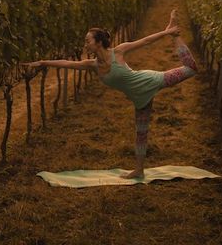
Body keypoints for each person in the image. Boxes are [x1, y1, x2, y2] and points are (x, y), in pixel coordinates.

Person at [23, 10, 198, 179]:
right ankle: (139, 170)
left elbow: (145, 41)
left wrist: (168, 32)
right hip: (138, 98)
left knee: (190, 69)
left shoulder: (119, 51)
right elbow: (66, 63)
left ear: (99, 42)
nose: (85, 45)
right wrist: (44, 62)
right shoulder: (92, 65)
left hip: (149, 80)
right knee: (141, 133)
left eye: (88, 41)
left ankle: (176, 37)